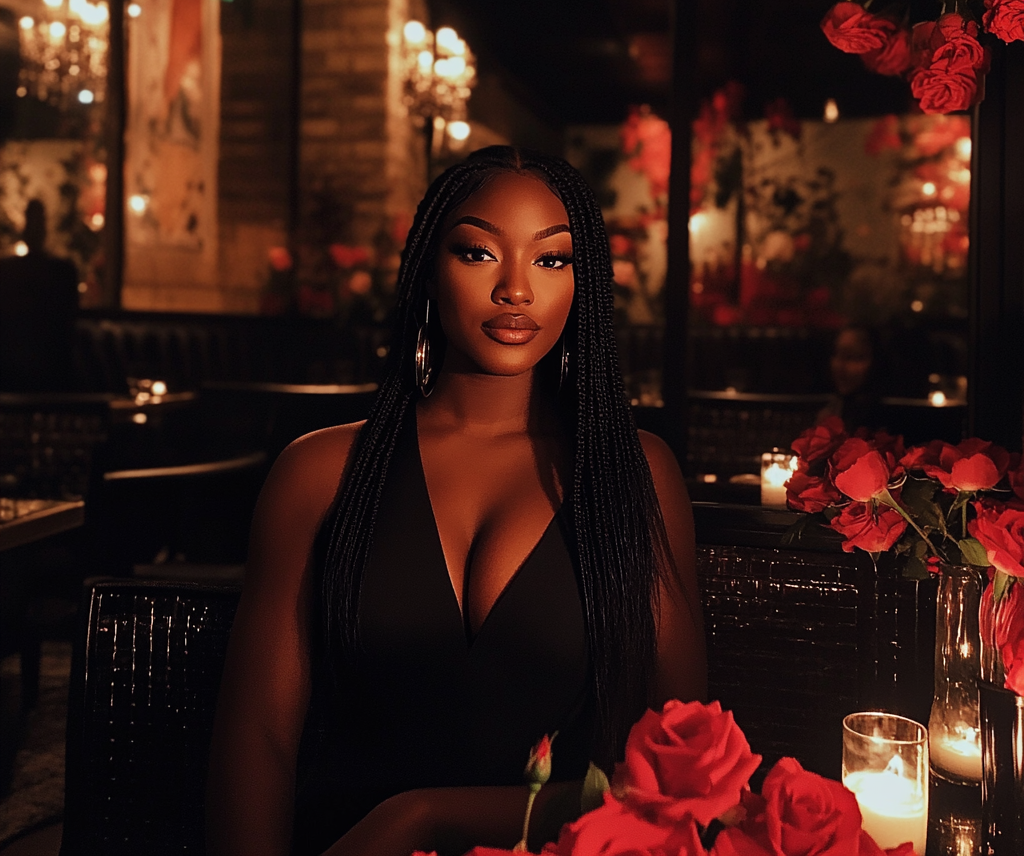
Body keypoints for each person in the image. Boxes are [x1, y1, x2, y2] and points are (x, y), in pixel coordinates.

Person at [206, 147, 706, 856]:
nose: (516, 290)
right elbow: (256, 741)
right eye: (477, 253)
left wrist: (427, 816)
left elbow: (682, 768)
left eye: (551, 260)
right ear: (427, 272)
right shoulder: (319, 472)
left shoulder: (634, 475)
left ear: (583, 284)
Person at [0, 198, 79, 392]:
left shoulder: (61, 271)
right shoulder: (61, 271)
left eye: (38, 222)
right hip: (44, 370)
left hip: (28, 368)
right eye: (33, 221)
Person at [817, 325, 886, 434]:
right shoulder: (831, 409)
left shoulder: (889, 419)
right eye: (836, 354)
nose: (840, 365)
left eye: (853, 356)